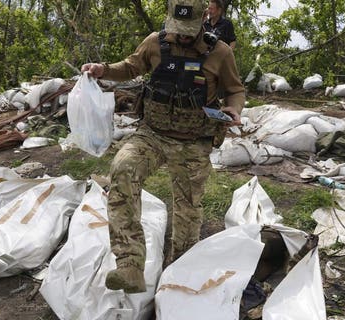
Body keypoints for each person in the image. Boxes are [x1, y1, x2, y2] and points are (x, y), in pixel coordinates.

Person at [81, 0, 245, 294]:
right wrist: (102, 69)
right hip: (152, 135)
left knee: (188, 207)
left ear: (202, 22)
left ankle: (180, 268)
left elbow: (235, 89)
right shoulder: (154, 43)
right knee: (122, 169)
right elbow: (130, 67)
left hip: (194, 141)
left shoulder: (220, 52)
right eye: (176, 30)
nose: (181, 36)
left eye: (188, 31)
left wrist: (234, 109)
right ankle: (130, 265)